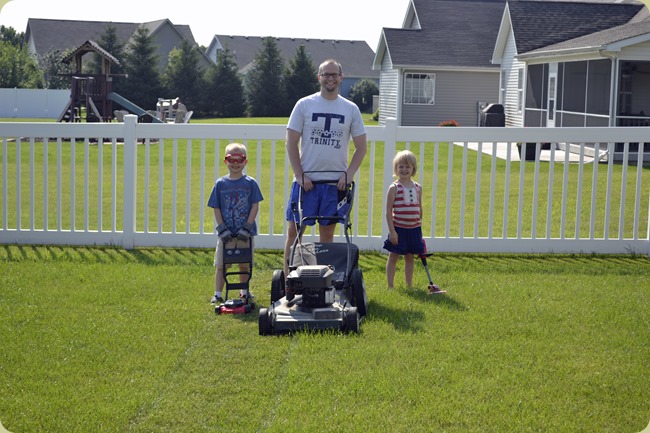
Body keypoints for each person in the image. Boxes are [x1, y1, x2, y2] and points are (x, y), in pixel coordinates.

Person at [284, 59, 368, 277]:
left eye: (334, 74)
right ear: (318, 77)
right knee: (295, 233)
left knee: (327, 236)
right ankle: (288, 282)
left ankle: (325, 282)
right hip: (306, 183)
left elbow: (361, 147)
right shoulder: (304, 105)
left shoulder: (350, 109)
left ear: (341, 77)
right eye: (325, 74)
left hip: (334, 185)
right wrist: (299, 175)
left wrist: (348, 175)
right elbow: (291, 142)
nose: (330, 78)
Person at [208, 143, 264, 303]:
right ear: (225, 161)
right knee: (222, 265)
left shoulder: (250, 183)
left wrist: (247, 227)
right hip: (226, 234)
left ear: (245, 162)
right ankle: (218, 293)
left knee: (244, 263)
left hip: (245, 234)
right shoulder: (220, 184)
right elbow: (216, 207)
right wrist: (222, 229)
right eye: (231, 159)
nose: (235, 162)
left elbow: (255, 205)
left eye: (240, 159)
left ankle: (244, 291)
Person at [383, 150, 443, 294]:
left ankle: (409, 285)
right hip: (399, 229)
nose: (404, 170)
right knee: (393, 257)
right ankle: (390, 286)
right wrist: (392, 231)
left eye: (407, 167)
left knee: (409, 258)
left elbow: (419, 208)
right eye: (401, 166)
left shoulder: (418, 187)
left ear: (413, 169)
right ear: (396, 169)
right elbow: (388, 211)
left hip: (414, 229)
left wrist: (419, 227)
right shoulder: (394, 188)